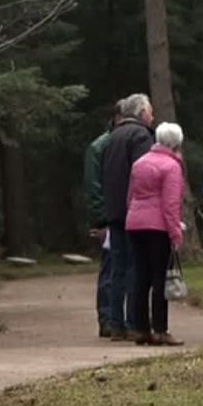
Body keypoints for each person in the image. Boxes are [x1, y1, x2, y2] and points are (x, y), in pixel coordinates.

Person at [125, 122, 186, 346]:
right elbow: (171, 205)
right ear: (176, 143)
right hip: (157, 226)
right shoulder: (171, 167)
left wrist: (131, 216)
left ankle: (140, 327)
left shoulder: (139, 163)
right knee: (160, 277)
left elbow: (130, 196)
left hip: (135, 223)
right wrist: (176, 234)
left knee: (141, 276)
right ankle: (160, 329)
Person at [101, 93, 154, 341]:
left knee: (117, 269)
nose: (152, 117)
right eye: (150, 112)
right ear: (141, 113)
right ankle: (135, 321)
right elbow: (143, 173)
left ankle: (115, 323)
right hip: (133, 211)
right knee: (136, 267)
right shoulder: (140, 135)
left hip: (114, 211)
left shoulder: (112, 138)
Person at [83, 102, 121, 338]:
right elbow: (93, 187)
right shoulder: (99, 147)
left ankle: (119, 317)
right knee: (110, 268)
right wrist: (101, 219)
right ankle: (106, 317)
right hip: (110, 217)